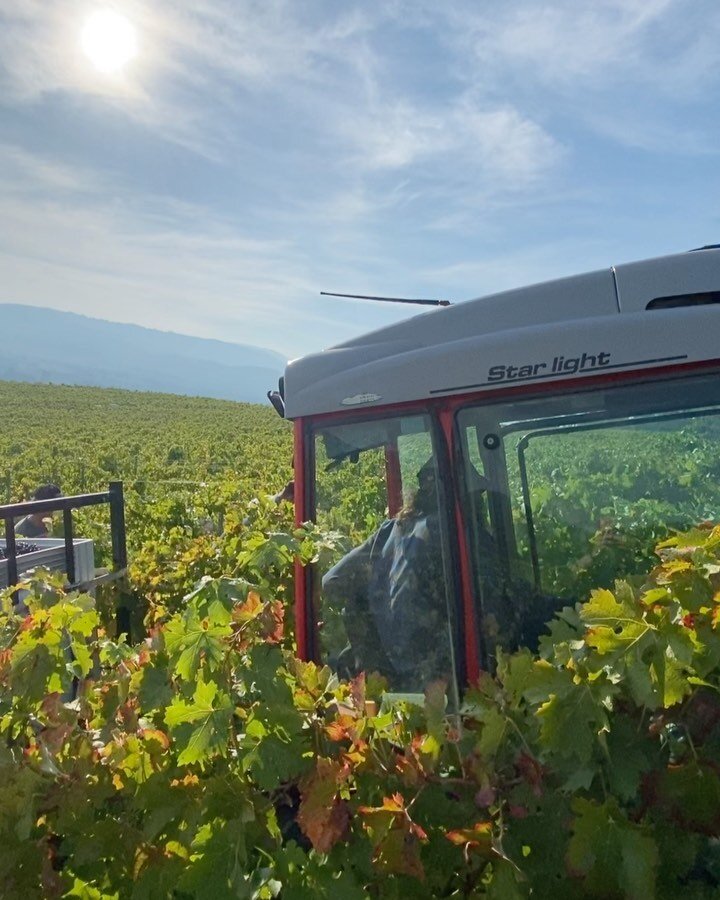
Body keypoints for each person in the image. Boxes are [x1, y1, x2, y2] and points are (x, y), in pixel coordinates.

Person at [322, 461, 453, 690]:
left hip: (383, 676)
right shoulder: (451, 532)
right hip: (432, 679)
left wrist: (376, 592)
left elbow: (331, 582)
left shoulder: (390, 529)